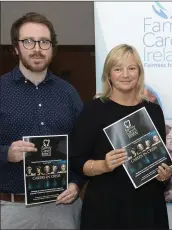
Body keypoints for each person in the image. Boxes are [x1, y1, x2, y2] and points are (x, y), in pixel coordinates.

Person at [69, 44, 172, 229]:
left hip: (148, 210)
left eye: (131, 68)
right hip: (105, 210)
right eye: (118, 69)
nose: (125, 74)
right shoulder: (92, 110)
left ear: (139, 72)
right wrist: (103, 165)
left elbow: (159, 160)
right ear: (109, 74)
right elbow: (76, 160)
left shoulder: (154, 111)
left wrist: (164, 175)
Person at [0, 12, 84, 229]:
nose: (37, 48)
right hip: (12, 211)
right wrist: (6, 153)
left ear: (52, 48)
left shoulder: (69, 94)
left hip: (63, 208)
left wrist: (76, 183)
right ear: (16, 47)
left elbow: (83, 148)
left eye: (44, 42)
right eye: (29, 41)